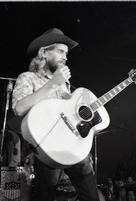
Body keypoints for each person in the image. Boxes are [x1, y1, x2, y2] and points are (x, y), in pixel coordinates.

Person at [12, 28, 101, 201]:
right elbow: (19, 107)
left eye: (66, 54)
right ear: (44, 52)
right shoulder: (27, 78)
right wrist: (52, 84)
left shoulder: (65, 84)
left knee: (92, 196)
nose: (65, 57)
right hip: (46, 149)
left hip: (70, 147)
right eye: (60, 51)